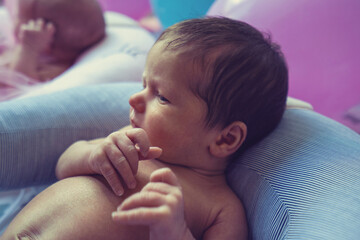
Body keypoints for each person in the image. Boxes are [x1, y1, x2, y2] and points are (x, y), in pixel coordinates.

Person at [1, 17, 288, 239]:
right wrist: (91, 155)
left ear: (225, 138)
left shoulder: (220, 209)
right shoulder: (126, 145)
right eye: (143, 85)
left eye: (161, 96)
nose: (135, 99)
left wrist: (175, 232)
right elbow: (62, 167)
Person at [0, 0, 105, 99]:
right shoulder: (42, 54)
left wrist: (29, 49)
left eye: (19, 17)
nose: (14, 22)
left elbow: (16, 87)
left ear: (43, 35)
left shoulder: (54, 69)